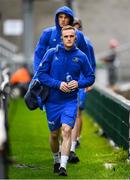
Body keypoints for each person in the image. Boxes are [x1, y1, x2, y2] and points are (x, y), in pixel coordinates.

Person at [34, 6, 96, 162]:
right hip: (51, 80)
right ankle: (60, 151)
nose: (63, 20)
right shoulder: (47, 34)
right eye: (60, 17)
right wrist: (36, 76)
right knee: (54, 129)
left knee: (75, 114)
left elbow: (88, 59)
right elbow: (38, 55)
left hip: (75, 80)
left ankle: (71, 149)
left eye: (66, 17)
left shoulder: (80, 37)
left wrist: (85, 82)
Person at [68, 18, 95, 163]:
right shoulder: (65, 46)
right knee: (69, 112)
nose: (76, 31)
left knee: (78, 112)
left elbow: (92, 64)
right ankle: (69, 140)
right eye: (74, 27)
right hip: (68, 83)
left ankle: (75, 140)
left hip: (81, 84)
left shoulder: (87, 45)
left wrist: (89, 83)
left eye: (78, 28)